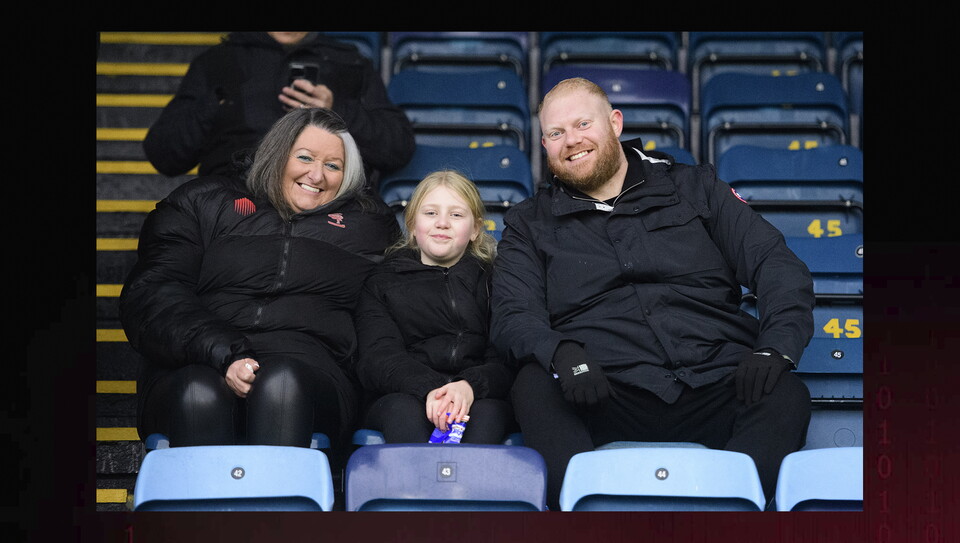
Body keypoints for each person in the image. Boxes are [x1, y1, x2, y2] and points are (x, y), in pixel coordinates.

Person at [490, 77, 815, 510]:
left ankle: (723, 517)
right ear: (545, 146)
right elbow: (513, 314)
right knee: (533, 385)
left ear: (615, 123)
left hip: (713, 377)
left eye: (582, 123)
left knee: (786, 394)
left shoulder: (695, 187)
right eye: (556, 133)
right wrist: (560, 352)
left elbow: (777, 265)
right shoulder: (528, 224)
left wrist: (776, 348)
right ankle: (587, 520)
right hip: (602, 386)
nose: (571, 141)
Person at [119, 108, 402, 458]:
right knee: (199, 391)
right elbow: (152, 294)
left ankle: (277, 512)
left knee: (282, 383)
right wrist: (224, 353)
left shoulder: (369, 224)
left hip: (313, 373)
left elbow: (389, 315)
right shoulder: (204, 201)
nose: (317, 175)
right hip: (196, 359)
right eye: (305, 157)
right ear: (276, 154)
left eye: (333, 165)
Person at [353, 171, 515, 444]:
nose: (442, 223)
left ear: (475, 229)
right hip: (404, 394)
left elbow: (506, 356)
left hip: (476, 394)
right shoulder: (382, 282)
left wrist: (468, 387)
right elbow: (378, 357)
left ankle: (471, 488)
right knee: (403, 411)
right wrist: (433, 390)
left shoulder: (496, 281)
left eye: (456, 215)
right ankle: (413, 488)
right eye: (430, 213)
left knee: (489, 413)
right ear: (412, 224)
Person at [143, 31, 415, 190]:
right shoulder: (218, 61)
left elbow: (397, 147)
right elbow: (164, 155)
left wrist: (336, 111)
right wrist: (218, 103)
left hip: (326, 203)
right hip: (235, 202)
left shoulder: (352, 62)